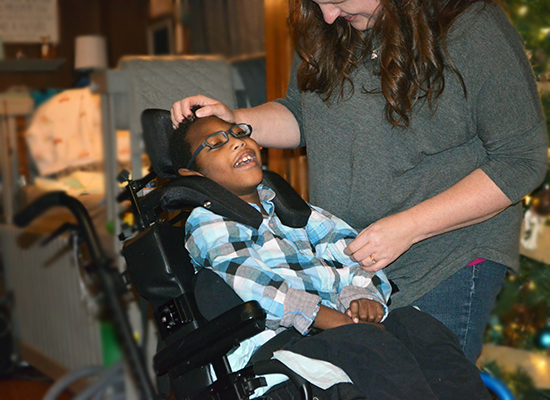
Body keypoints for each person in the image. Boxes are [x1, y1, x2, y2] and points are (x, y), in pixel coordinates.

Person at [171, 0, 549, 363]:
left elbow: (521, 160)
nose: (328, 15)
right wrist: (233, 119)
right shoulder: (328, 26)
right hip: (352, 271)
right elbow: (303, 114)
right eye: (317, 3)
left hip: (445, 260)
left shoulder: (472, 27)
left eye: (337, 0)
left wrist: (409, 227)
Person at [174, 109, 491, 399]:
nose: (236, 143)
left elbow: (352, 251)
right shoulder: (208, 221)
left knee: (416, 325)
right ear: (193, 176)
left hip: (341, 330)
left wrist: (360, 296)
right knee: (370, 345)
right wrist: (333, 320)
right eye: (216, 143)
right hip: (281, 344)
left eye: (239, 133)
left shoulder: (296, 210)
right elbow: (247, 282)